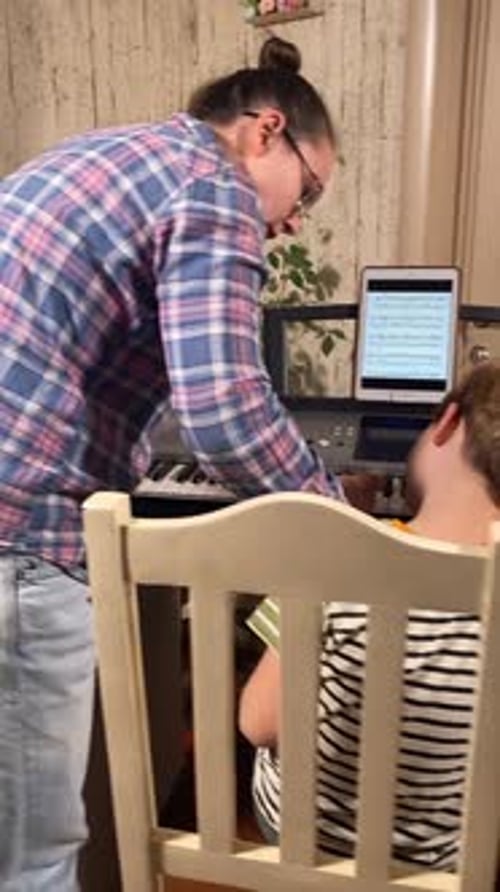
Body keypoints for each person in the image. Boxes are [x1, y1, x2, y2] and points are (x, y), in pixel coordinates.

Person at [0, 34, 354, 892]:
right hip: (22, 527)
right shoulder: (213, 186)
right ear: (265, 131)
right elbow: (226, 414)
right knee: (35, 851)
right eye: (308, 191)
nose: (296, 222)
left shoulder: (105, 152)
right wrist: (334, 515)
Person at [239, 360, 500, 870]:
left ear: (447, 424)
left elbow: (258, 723)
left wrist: (342, 524)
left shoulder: (331, 562)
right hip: (437, 859)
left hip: (307, 841)